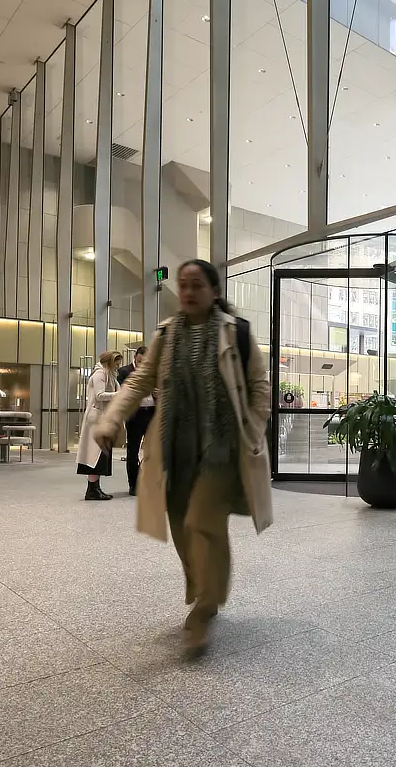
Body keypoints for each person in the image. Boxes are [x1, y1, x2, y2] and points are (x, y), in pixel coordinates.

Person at [92, 259, 272, 657]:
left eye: (197, 285)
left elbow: (260, 387)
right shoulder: (168, 333)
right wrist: (110, 419)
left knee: (203, 521)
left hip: (221, 448)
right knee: (179, 524)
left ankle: (205, 607)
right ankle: (202, 586)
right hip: (175, 447)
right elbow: (140, 379)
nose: (188, 292)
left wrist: (253, 431)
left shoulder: (235, 332)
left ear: (214, 291)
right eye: (183, 285)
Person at [75, 351, 123, 500]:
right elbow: (99, 395)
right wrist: (118, 395)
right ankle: (92, 489)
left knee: (99, 456)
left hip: (103, 419)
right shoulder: (99, 375)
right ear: (110, 362)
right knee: (94, 455)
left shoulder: (109, 375)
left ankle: (95, 488)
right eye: (116, 363)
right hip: (96, 420)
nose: (118, 366)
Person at [117, 346, 156, 496]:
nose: (142, 364)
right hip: (135, 414)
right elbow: (120, 392)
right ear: (135, 357)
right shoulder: (124, 372)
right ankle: (134, 484)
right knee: (133, 450)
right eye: (140, 361)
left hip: (151, 412)